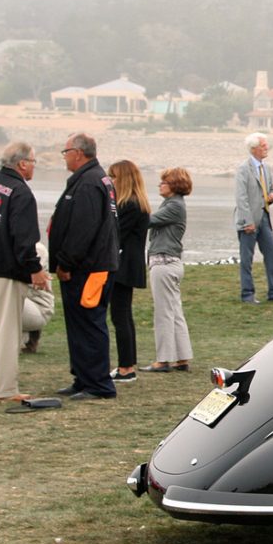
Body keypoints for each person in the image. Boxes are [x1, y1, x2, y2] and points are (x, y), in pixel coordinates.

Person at [0, 142, 52, 403]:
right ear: (22, 164)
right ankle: (4, 390)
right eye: (33, 162)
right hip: (5, 271)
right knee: (6, 331)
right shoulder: (20, 192)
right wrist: (34, 269)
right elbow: (24, 238)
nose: (34, 166)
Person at [49, 132, 119, 401]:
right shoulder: (92, 178)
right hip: (91, 265)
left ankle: (98, 384)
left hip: (89, 268)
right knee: (79, 324)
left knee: (89, 323)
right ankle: (83, 378)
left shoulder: (89, 182)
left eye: (66, 152)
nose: (64, 157)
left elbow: (83, 229)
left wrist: (66, 262)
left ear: (78, 153)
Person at [143, 168, 193, 372]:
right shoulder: (174, 204)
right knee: (174, 311)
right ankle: (182, 358)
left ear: (174, 185)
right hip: (170, 263)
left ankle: (163, 360)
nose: (160, 185)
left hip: (163, 263)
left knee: (163, 313)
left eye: (164, 182)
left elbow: (147, 221)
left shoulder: (174, 206)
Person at [234, 133, 273, 304]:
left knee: (272, 254)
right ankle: (247, 294)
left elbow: (269, 189)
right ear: (253, 149)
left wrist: (271, 197)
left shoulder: (266, 168)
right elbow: (241, 198)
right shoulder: (243, 169)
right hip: (249, 220)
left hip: (264, 218)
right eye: (263, 146)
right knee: (247, 259)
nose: (267, 148)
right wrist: (248, 221)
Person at [107, 160, 149, 382]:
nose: (110, 181)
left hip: (124, 266)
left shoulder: (129, 205)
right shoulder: (136, 203)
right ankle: (127, 363)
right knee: (124, 315)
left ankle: (126, 367)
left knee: (120, 316)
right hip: (129, 265)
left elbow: (115, 234)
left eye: (113, 177)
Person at [0, 242, 53, 356]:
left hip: (38, 307)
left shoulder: (37, 249)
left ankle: (24, 336)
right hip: (10, 303)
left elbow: (23, 279)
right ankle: (23, 337)